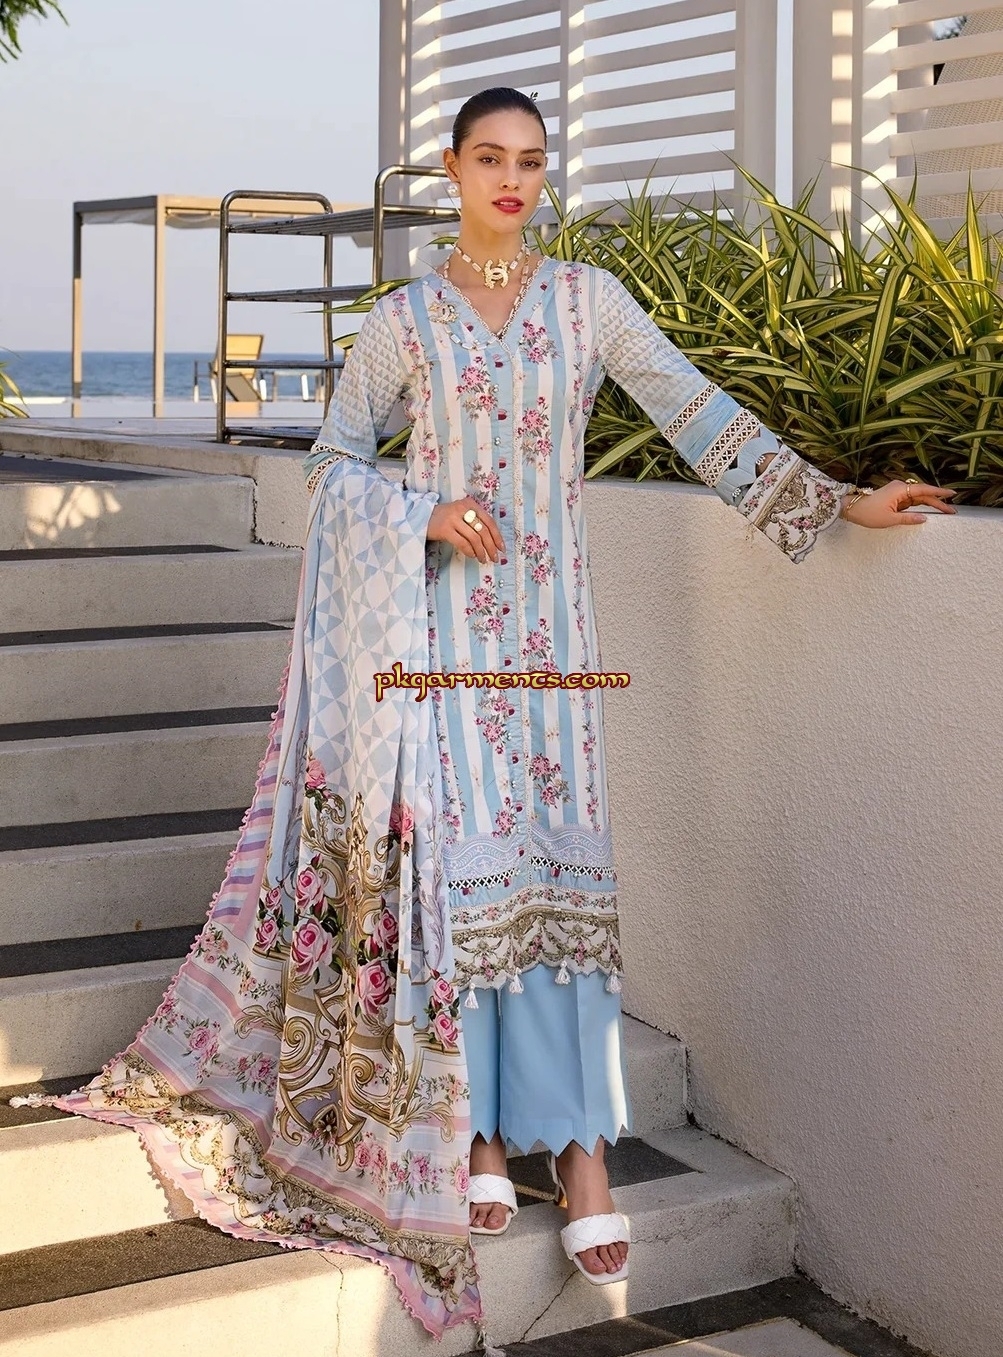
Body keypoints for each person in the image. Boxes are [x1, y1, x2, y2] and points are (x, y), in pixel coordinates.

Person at [14, 86, 955, 1343]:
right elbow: (332, 465)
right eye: (490, 158)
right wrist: (423, 514)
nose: (512, 180)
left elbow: (693, 411)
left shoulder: (586, 304)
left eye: (531, 162)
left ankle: (582, 1157)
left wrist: (831, 502)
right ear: (452, 170)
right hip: (438, 646)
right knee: (460, 884)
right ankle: (477, 1135)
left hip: (553, 643)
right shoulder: (404, 322)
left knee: (555, 886)